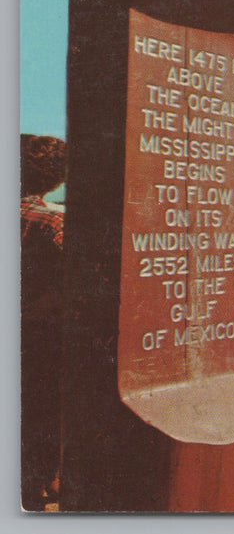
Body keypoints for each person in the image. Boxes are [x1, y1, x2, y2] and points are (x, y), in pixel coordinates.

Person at [21, 134, 66, 511]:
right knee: (45, 410)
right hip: (39, 333)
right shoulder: (52, 219)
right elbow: (74, 277)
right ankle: (39, 485)